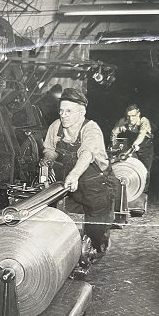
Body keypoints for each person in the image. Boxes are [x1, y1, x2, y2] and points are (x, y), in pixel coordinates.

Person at [40, 88, 118, 257]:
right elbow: (50, 149)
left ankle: (98, 248)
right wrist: (48, 159)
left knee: (95, 230)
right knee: (64, 221)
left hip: (97, 184)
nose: (63, 115)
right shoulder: (56, 126)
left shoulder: (91, 129)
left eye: (69, 111)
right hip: (73, 183)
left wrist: (74, 175)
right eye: (61, 111)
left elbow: (86, 154)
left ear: (82, 112)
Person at [110, 104, 154, 191]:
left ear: (138, 114)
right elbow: (113, 133)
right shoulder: (123, 121)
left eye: (133, 116)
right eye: (128, 116)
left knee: (145, 169)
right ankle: (128, 189)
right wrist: (113, 144)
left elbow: (141, 135)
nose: (130, 119)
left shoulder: (144, 121)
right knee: (128, 164)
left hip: (145, 147)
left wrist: (136, 144)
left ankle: (142, 191)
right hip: (131, 146)